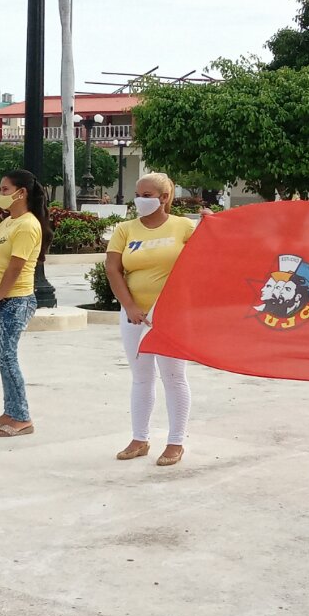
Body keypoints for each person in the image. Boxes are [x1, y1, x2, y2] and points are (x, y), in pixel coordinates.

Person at [105, 173, 202, 466]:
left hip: (172, 315)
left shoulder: (183, 226)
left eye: (147, 195)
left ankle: (176, 442)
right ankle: (139, 438)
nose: (140, 200)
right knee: (141, 377)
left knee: (173, 377)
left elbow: (211, 253)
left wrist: (213, 223)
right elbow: (113, 269)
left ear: (163, 197)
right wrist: (130, 306)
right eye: (138, 193)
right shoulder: (125, 229)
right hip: (135, 316)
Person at [0, 169, 46, 437]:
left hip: (15, 299)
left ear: (22, 193)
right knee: (0, 358)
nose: (0, 195)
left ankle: (22, 418)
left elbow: (16, 266)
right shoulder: (8, 222)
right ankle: (10, 411)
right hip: (2, 299)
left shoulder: (28, 225)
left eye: (5, 190)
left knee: (6, 357)